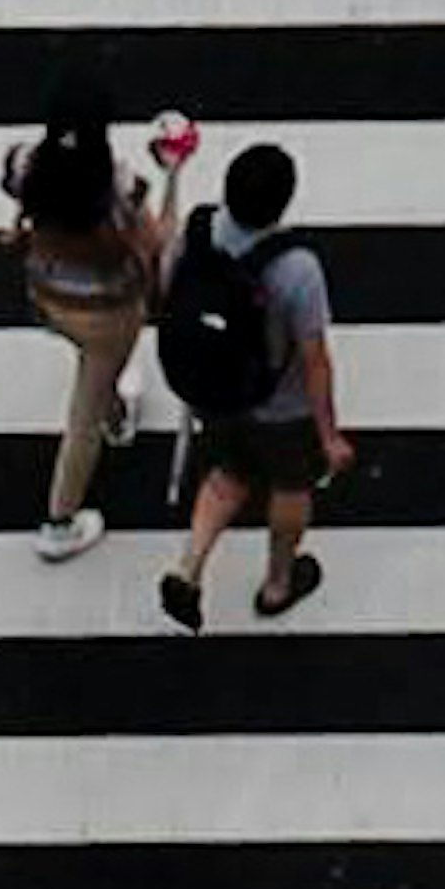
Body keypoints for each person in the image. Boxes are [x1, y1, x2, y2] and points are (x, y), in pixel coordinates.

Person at [153, 136, 348, 632]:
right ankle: (279, 582)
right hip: (280, 407)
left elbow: (165, 280)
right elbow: (315, 360)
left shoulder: (200, 230)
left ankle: (189, 567)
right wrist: (328, 435)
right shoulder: (296, 269)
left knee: (225, 475)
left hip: (215, 391)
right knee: (291, 485)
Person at [0, 87, 185, 559]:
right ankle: (60, 519)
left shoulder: (24, 165)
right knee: (85, 409)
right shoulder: (118, 189)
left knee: (99, 380)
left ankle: (118, 416)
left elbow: (18, 196)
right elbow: (159, 239)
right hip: (109, 312)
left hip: (48, 296)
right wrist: (174, 175)